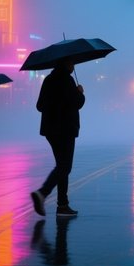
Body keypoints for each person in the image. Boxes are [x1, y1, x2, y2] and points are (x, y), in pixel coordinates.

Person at [31, 60, 85, 218]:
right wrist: (80, 92)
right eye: (72, 63)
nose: (74, 65)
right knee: (64, 166)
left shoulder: (48, 79)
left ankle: (62, 205)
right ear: (66, 65)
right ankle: (43, 193)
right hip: (66, 129)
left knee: (62, 166)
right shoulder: (67, 80)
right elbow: (77, 103)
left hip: (50, 130)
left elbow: (39, 105)